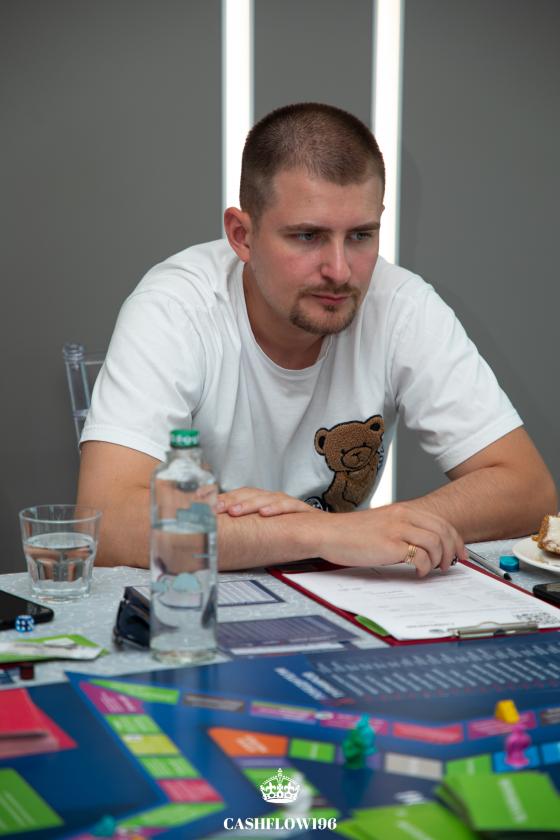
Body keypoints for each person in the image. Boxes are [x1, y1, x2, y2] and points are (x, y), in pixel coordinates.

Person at [77, 102, 557, 577]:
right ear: (242, 235)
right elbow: (109, 523)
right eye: (308, 236)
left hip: (338, 600)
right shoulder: (174, 306)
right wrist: (319, 532)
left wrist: (355, 530)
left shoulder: (401, 304)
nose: (340, 270)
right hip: (193, 606)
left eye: (361, 235)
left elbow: (529, 492)